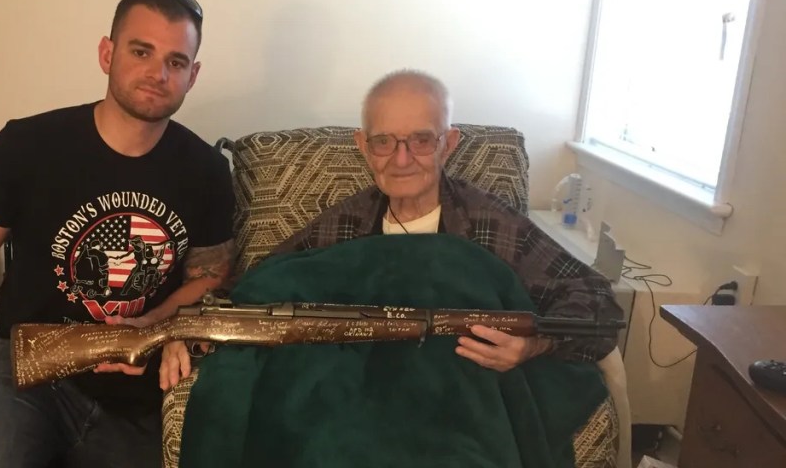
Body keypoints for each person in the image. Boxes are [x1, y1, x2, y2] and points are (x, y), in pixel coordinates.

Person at [0, 0, 235, 468]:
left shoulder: (205, 169)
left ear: (192, 75)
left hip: (136, 380)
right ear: (107, 53)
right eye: (141, 51)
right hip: (24, 369)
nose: (158, 73)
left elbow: (211, 273)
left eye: (176, 62)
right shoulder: (27, 145)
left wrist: (153, 322)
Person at [160, 69, 622, 383]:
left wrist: (533, 345)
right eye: (384, 142)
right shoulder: (347, 221)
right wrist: (191, 325)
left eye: (421, 139)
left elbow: (598, 303)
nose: (402, 160)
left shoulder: (490, 222)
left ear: (448, 144)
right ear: (363, 146)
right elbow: (259, 286)